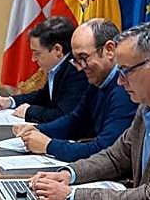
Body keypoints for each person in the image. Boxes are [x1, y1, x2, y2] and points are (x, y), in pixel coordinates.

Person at [28, 21, 150, 200]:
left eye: (125, 71)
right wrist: (67, 174)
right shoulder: (147, 105)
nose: (120, 81)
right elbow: (115, 157)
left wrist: (71, 196)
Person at [11, 19, 136, 162]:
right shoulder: (97, 80)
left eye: (83, 57)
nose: (80, 67)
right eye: (76, 60)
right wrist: (38, 130)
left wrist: (49, 146)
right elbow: (75, 120)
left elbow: (105, 150)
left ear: (109, 50)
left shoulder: (125, 89)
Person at [0, 16, 89, 123]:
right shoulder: (58, 67)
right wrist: (9, 101)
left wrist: (29, 112)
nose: (33, 59)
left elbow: (64, 115)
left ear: (58, 50)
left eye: (37, 53)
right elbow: (43, 96)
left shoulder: (77, 70)